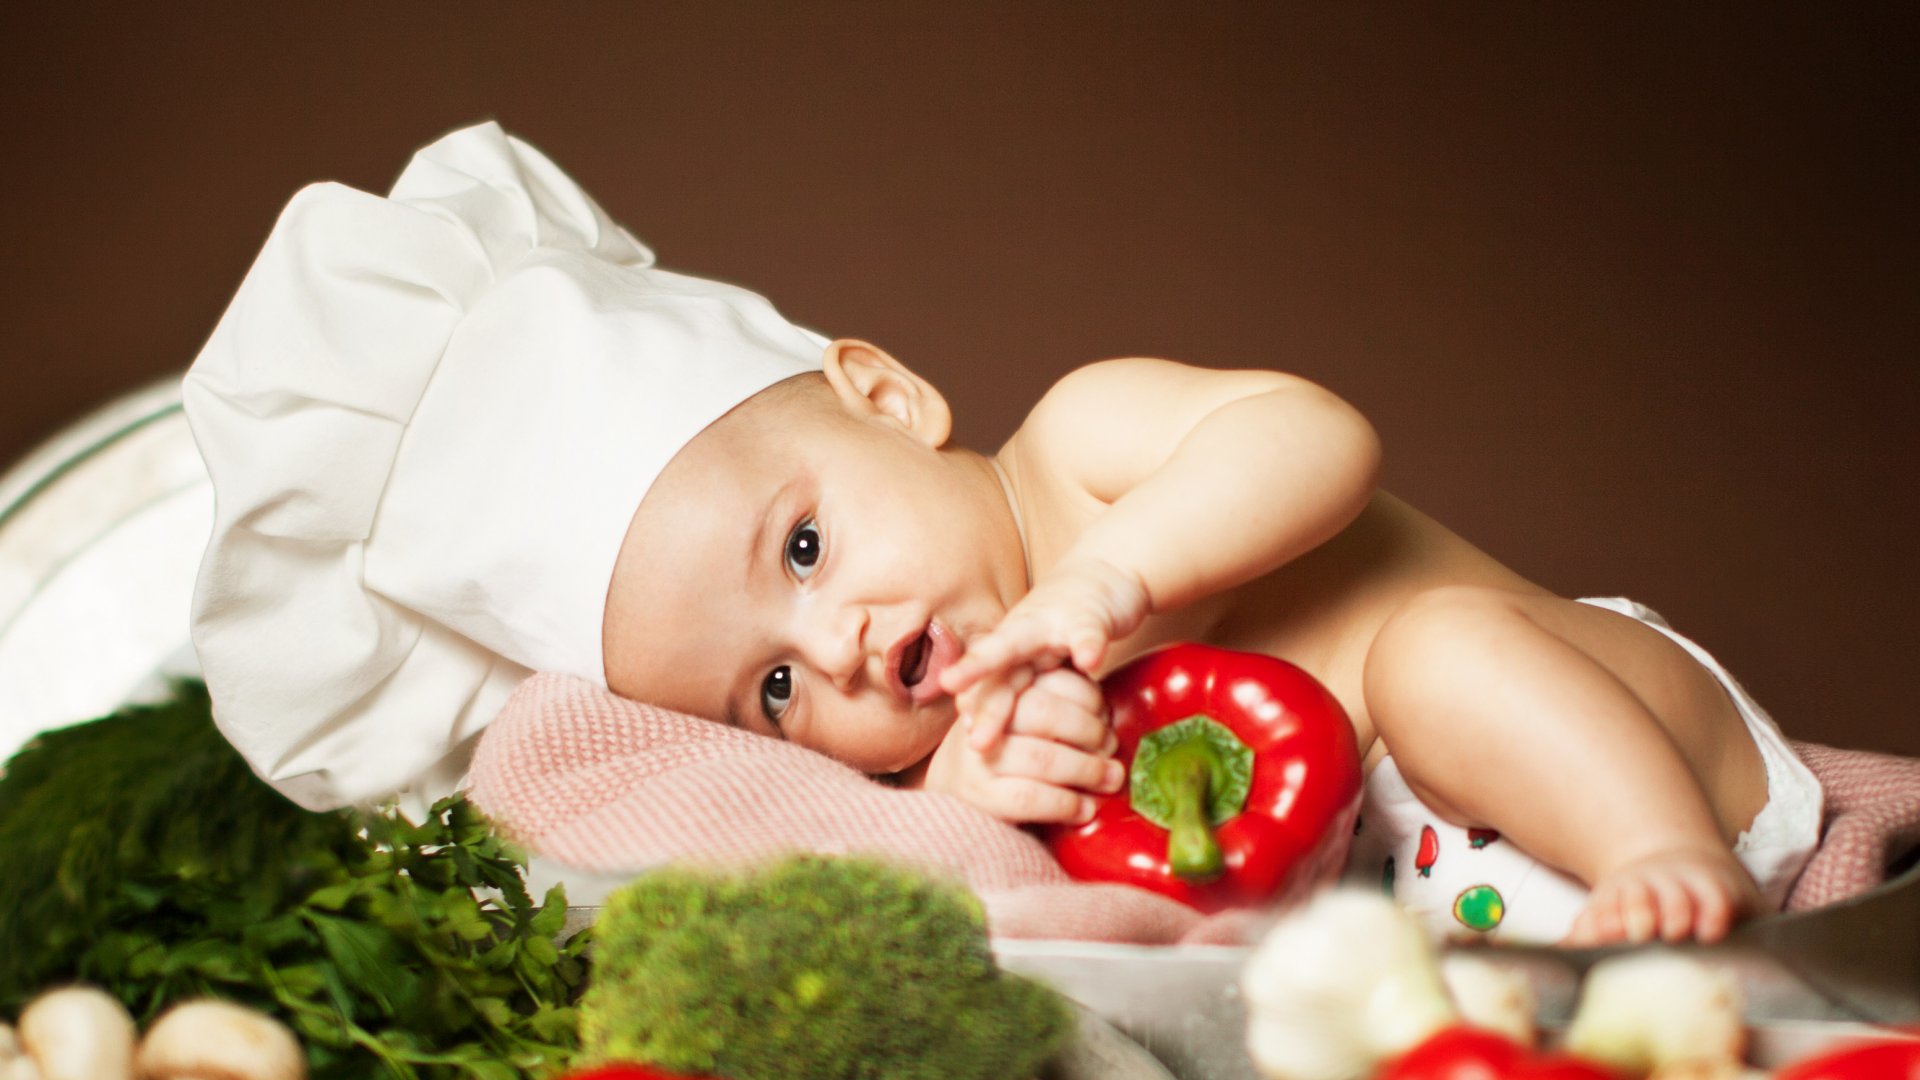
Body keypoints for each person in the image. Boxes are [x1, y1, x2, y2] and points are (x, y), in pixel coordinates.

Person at [188, 122, 1822, 947]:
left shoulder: (1079, 452)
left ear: (885, 396)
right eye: (771, 693)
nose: (828, 652)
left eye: (805, 553)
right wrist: (975, 802)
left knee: (1435, 651)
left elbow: (1316, 435)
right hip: (1469, 917)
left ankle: (1669, 868)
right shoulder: (950, 740)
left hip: (1615, 740)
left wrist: (1120, 576)